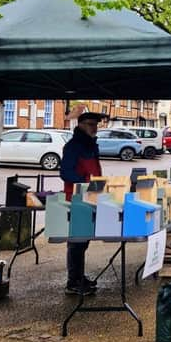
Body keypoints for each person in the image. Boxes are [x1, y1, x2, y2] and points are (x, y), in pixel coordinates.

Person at [60, 112, 104, 295]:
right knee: (77, 240)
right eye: (90, 124)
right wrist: (85, 181)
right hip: (76, 199)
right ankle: (73, 281)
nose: (94, 127)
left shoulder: (91, 145)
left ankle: (79, 276)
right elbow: (65, 172)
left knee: (84, 239)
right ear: (80, 125)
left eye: (95, 124)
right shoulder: (73, 146)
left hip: (92, 196)